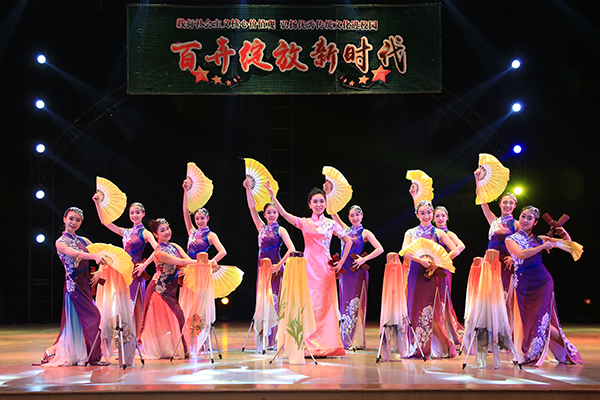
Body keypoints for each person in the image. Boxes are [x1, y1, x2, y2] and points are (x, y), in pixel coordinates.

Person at [266, 181, 352, 357]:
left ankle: (327, 345)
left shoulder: (331, 224)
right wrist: (272, 196)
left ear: (325, 203)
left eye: (321, 201)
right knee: (309, 305)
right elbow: (284, 214)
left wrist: (341, 263)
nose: (319, 204)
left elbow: (348, 241)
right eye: (315, 202)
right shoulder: (304, 222)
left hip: (326, 271)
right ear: (309, 205)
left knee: (325, 308)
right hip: (308, 269)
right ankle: (306, 344)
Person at [505, 206, 582, 366]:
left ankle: (564, 351)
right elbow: (521, 254)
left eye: (530, 218)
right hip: (524, 284)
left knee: (542, 321)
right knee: (530, 321)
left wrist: (560, 230)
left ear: (535, 222)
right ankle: (563, 350)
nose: (525, 221)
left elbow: (568, 244)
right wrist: (542, 247)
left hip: (542, 282)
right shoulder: (510, 239)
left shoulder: (540, 238)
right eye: (523, 216)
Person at [41, 207, 105, 367]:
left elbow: (102, 253)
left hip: (85, 285)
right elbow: (77, 254)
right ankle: (77, 354)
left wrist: (100, 270)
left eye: (78, 220)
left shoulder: (84, 240)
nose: (74, 222)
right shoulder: (60, 242)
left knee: (84, 321)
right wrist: (93, 256)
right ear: (64, 219)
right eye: (71, 219)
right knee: (90, 318)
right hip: (73, 287)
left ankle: (81, 354)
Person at [401, 200, 461, 359]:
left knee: (428, 312)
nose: (426, 216)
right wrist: (420, 261)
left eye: (429, 212)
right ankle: (416, 347)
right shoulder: (410, 232)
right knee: (413, 309)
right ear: (417, 215)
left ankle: (446, 344)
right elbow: (405, 252)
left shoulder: (439, 233)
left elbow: (456, 250)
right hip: (415, 273)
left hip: (431, 275)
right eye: (422, 213)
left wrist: (438, 263)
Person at [92, 195, 157, 339]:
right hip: (122, 271)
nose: (134, 215)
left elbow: (158, 249)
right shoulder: (125, 231)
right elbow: (104, 222)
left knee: (132, 305)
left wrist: (145, 264)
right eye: (132, 213)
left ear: (143, 214)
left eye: (137, 212)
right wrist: (97, 203)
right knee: (120, 304)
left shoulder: (145, 233)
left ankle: (133, 338)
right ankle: (121, 338)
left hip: (135, 273)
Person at [243, 179, 295, 347]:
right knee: (263, 303)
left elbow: (292, 249)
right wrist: (248, 189)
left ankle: (273, 340)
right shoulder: (261, 228)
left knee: (274, 302)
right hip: (262, 270)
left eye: (274, 212)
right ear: (264, 215)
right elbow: (252, 208)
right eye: (269, 213)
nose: (272, 215)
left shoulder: (281, 229)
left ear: (277, 214)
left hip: (275, 271)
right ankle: (264, 338)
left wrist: (279, 266)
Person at [179, 181, 227, 355]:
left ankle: (201, 340)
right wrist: (185, 192)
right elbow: (185, 211)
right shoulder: (192, 232)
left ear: (207, 219)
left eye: (202, 218)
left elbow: (223, 251)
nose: (199, 221)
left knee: (199, 305)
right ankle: (188, 340)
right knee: (186, 304)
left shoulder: (210, 235)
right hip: (189, 271)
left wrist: (211, 261)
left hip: (201, 273)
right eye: (197, 218)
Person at [138, 218, 197, 359]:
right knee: (173, 318)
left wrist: (187, 268)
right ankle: (175, 350)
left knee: (176, 319)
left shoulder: (174, 246)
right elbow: (180, 261)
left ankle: (178, 349)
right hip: (159, 290)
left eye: (168, 228)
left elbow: (186, 261)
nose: (167, 232)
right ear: (155, 235)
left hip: (171, 289)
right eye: (162, 230)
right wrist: (204, 262)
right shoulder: (159, 252)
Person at [332, 205, 383, 350]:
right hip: (344, 271)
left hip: (356, 271)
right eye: (352, 215)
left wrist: (364, 259)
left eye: (357, 215)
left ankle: (354, 340)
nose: (355, 218)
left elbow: (380, 248)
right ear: (348, 217)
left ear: (362, 216)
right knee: (344, 303)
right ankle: (345, 338)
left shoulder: (365, 232)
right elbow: (334, 215)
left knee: (354, 304)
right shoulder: (345, 230)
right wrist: (329, 199)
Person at [474, 168, 520, 298]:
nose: (507, 205)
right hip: (490, 261)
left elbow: (524, 244)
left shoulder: (517, 224)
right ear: (499, 204)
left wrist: (514, 258)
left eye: (511, 203)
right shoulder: (493, 220)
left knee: (503, 296)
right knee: (489, 295)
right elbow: (482, 200)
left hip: (505, 264)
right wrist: (477, 180)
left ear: (515, 206)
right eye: (505, 202)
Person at [432, 206, 465, 348]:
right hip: (433, 268)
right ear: (433, 219)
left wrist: (444, 259)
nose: (440, 218)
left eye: (442, 216)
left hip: (444, 269)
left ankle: (446, 331)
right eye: (437, 216)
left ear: (447, 217)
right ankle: (437, 331)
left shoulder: (448, 233)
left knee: (443, 299)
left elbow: (461, 246)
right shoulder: (433, 233)